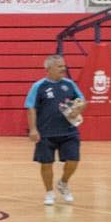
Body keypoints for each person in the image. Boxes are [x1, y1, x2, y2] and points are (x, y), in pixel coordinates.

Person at [25, 53, 85, 205]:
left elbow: (82, 101)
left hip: (69, 131)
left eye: (64, 65)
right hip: (46, 132)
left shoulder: (69, 84)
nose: (63, 68)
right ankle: (49, 192)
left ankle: (63, 183)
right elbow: (31, 108)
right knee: (46, 163)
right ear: (49, 68)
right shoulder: (39, 86)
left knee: (73, 160)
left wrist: (77, 110)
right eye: (59, 66)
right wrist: (33, 129)